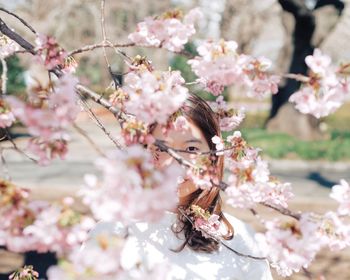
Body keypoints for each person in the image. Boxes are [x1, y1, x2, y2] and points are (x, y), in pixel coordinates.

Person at [87, 94, 273, 280]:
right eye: (161, 148)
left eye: (191, 149)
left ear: (214, 155)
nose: (175, 163)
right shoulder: (111, 232)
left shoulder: (238, 239)